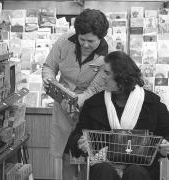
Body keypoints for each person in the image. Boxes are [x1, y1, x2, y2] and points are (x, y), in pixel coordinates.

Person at [69, 51, 169, 180]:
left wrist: (166, 145)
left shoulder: (153, 104)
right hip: (103, 165)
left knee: (135, 171)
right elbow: (77, 134)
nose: (102, 77)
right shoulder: (93, 104)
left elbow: (167, 132)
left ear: (122, 77)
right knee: (103, 170)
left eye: (107, 73)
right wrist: (79, 142)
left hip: (143, 168)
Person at [42, 8, 109, 179]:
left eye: (91, 41)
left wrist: (77, 100)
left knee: (89, 157)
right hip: (63, 108)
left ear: (101, 38)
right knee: (66, 156)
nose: (85, 44)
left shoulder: (108, 55)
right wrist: (49, 81)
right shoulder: (64, 41)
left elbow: (93, 89)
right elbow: (49, 66)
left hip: (91, 111)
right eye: (82, 39)